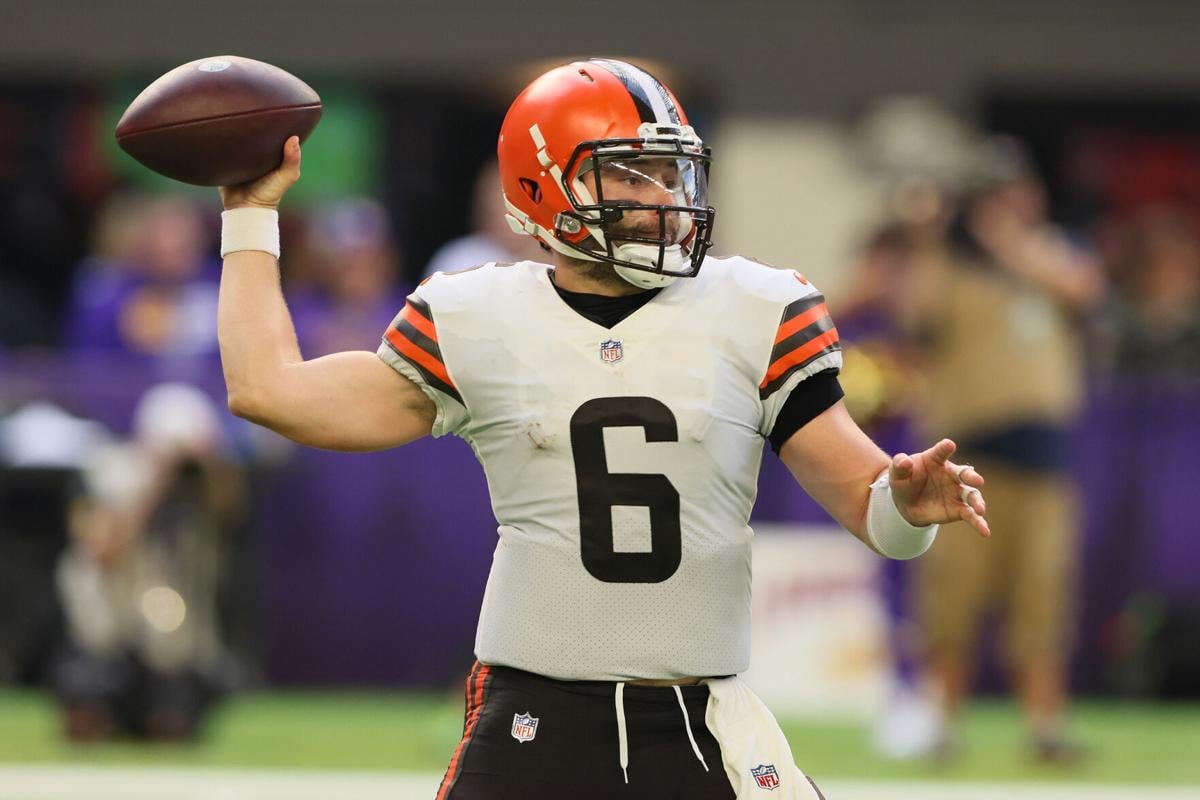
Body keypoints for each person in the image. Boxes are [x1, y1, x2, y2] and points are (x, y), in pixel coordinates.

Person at [215, 59, 989, 799]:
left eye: (668, 170)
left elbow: (871, 507)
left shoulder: (754, 308)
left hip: (699, 722)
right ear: (543, 186)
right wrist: (250, 216)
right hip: (532, 719)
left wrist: (906, 508)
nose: (659, 194)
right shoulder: (477, 316)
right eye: (627, 172)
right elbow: (269, 390)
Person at [897, 138, 1103, 762]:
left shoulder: (1053, 254)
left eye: (1016, 192)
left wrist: (1009, 244)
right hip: (968, 460)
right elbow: (914, 317)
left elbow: (1084, 291)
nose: (1009, 205)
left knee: (1044, 595)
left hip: (1046, 460)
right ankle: (939, 723)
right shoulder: (950, 269)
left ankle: (1044, 728)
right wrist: (930, 237)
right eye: (994, 197)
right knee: (952, 598)